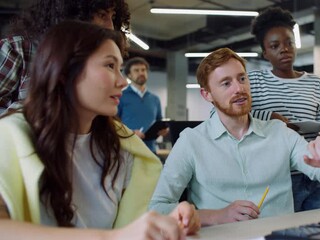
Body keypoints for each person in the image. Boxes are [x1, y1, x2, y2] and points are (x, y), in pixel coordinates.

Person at [0, 20, 200, 239]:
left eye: (120, 68)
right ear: (65, 71)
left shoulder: (124, 147)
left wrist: (168, 221)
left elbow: (131, 224)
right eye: (109, 66)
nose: (123, 81)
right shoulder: (10, 137)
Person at [148, 47, 320, 226]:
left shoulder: (279, 133)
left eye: (242, 78)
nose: (239, 88)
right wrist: (218, 215)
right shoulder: (191, 141)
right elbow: (158, 208)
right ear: (207, 94)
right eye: (226, 83)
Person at [249, 6, 320, 212]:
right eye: (275, 46)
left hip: (319, 175)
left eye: (289, 43)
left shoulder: (316, 83)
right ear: (265, 52)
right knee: (284, 233)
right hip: (279, 176)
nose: (284, 49)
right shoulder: (253, 81)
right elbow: (238, 118)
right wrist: (270, 117)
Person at [0, 0, 131, 114]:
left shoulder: (95, 61)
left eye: (113, 17)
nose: (111, 26)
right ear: (75, 15)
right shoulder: (18, 50)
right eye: (102, 15)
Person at [118, 57, 168, 153]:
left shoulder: (155, 99)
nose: (141, 73)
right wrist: (130, 133)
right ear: (129, 75)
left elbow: (159, 121)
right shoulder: (120, 96)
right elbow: (112, 124)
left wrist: (163, 130)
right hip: (127, 150)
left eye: (143, 70)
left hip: (150, 150)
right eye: (136, 70)